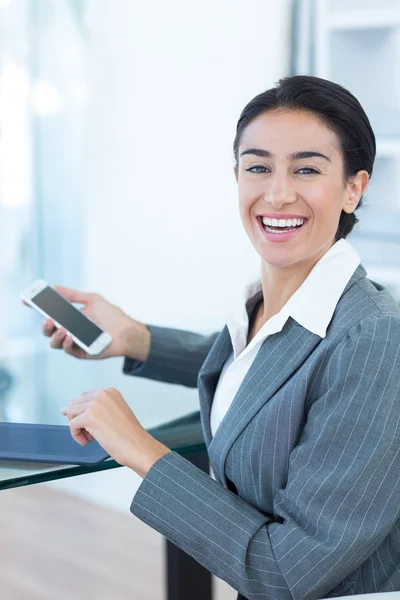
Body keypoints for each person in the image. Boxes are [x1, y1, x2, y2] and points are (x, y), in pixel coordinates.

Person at [37, 75, 400, 599]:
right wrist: (134, 337)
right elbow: (267, 373)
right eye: (258, 167)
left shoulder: (373, 339)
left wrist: (141, 449)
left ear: (354, 187)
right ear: (236, 177)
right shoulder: (271, 307)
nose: (277, 192)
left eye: (306, 169)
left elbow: (284, 573)